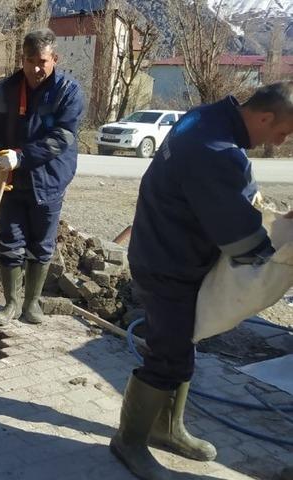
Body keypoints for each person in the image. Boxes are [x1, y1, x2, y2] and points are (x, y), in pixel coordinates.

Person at [112, 81, 293, 479]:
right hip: (168, 263)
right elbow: (240, 237)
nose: (277, 144)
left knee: (181, 344)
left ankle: (166, 426)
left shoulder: (207, 117)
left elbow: (229, 197)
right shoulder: (217, 152)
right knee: (169, 352)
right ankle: (129, 441)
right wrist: (275, 255)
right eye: (280, 133)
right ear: (264, 117)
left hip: (165, 248)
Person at [0, 28, 84, 326]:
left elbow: (62, 136)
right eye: (29, 61)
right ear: (21, 59)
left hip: (49, 180)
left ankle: (32, 304)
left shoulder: (68, 91)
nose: (35, 68)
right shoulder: (5, 90)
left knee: (41, 244)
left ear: (54, 59)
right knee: (10, 241)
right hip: (11, 180)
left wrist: (21, 157)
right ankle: (11, 303)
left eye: (42, 61)